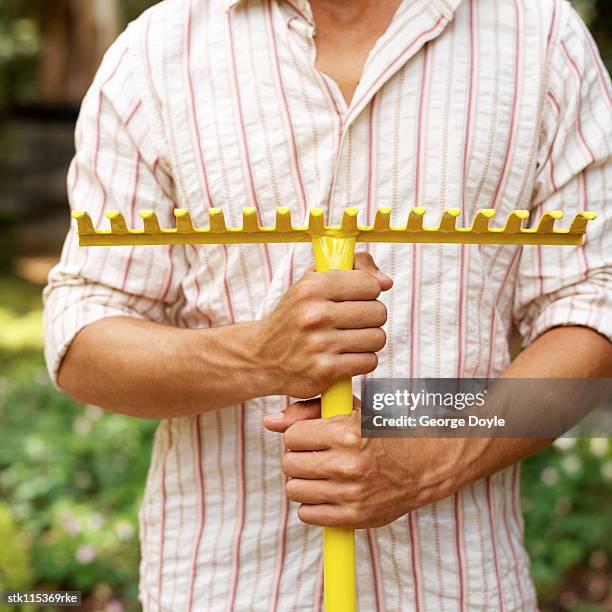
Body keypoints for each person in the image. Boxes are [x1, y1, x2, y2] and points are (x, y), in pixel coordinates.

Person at [44, 0, 612, 609]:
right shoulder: (158, 53)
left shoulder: (541, 40)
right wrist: (257, 357)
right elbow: (81, 342)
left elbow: (594, 327)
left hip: (459, 587)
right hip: (221, 587)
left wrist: (428, 453)